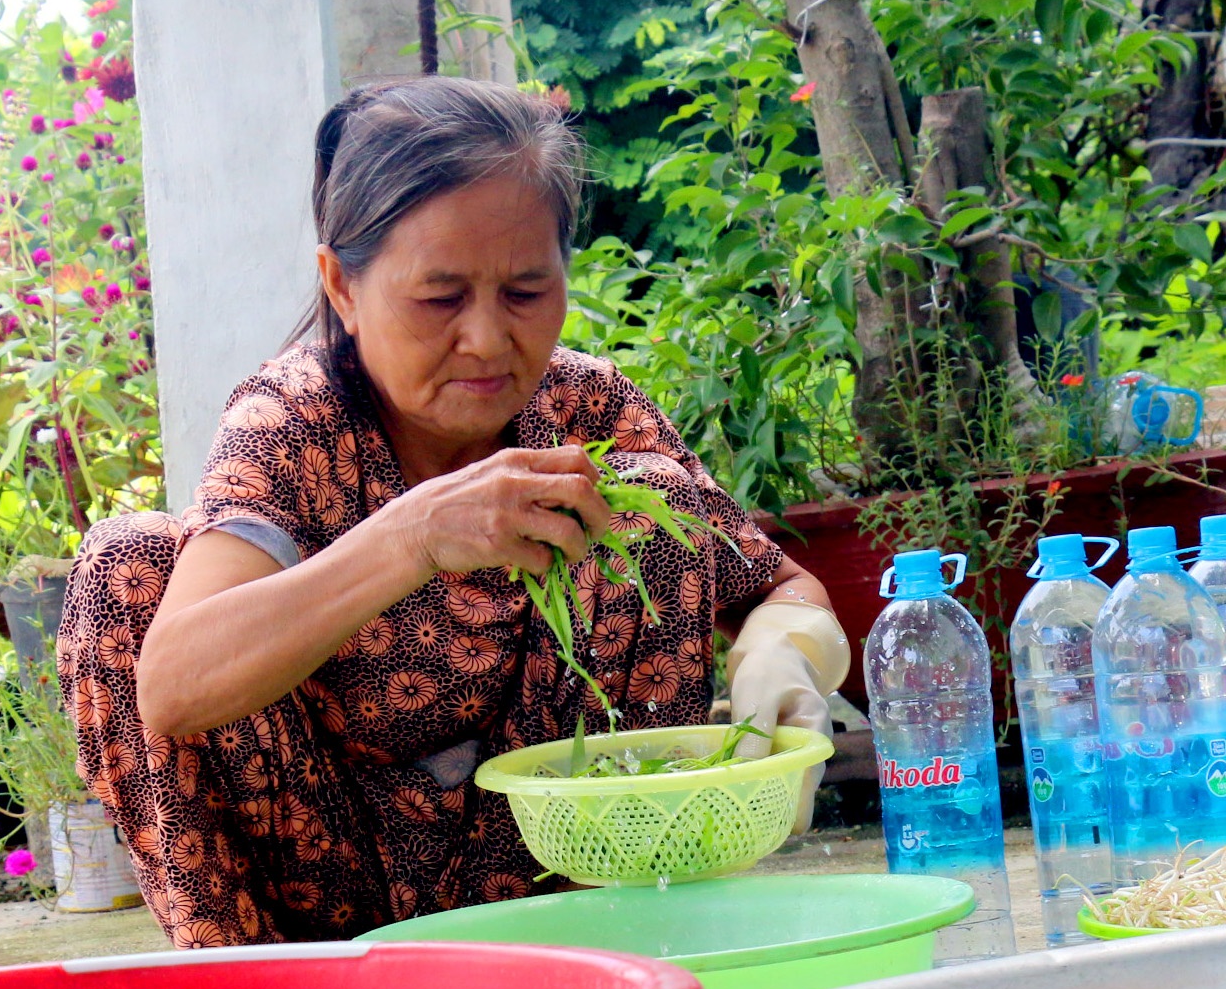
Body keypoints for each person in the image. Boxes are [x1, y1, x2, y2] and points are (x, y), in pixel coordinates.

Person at [60, 77, 847, 945]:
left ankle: (627, 944)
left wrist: (786, 655)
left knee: (650, 502)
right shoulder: (292, 425)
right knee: (126, 569)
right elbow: (172, 685)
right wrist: (414, 535)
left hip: (556, 879)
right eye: (440, 299)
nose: (485, 339)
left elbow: (781, 587)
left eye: (524, 292)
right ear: (343, 288)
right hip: (326, 905)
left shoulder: (583, 412)